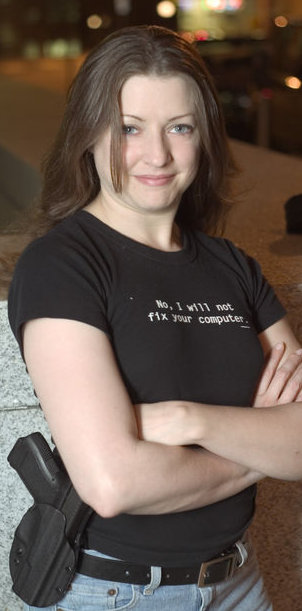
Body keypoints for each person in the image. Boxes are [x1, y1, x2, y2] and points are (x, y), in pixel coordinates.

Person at [7, 25, 302, 611]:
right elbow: (113, 483)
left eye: (180, 127)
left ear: (205, 138)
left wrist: (184, 420)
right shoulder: (63, 266)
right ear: (88, 135)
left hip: (241, 583)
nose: (157, 154)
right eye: (129, 129)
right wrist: (253, 447)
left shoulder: (231, 266)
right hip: (120, 593)